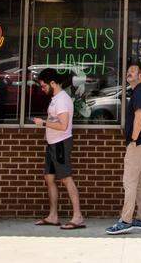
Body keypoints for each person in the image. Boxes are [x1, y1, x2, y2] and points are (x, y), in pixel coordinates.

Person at [31, 68, 84, 230]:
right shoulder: (55, 98)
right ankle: (53, 216)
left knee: (66, 178)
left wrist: (43, 123)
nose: (42, 88)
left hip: (61, 143)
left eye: (43, 85)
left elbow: (63, 125)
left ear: (52, 83)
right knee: (49, 178)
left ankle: (78, 217)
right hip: (53, 144)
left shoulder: (62, 99)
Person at [106, 62, 141, 235]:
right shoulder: (139, 91)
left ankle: (126, 220)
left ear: (140, 76)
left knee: (130, 182)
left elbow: (139, 116)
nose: (129, 74)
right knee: (139, 182)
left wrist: (133, 139)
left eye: (133, 71)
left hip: (138, 143)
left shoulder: (139, 92)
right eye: (128, 72)